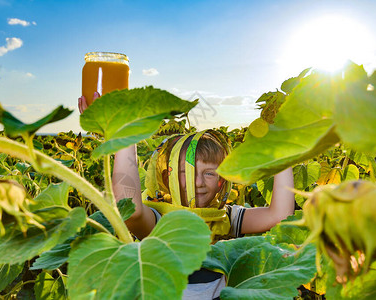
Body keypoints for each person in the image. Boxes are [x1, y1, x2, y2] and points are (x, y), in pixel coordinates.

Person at [78, 95, 295, 300]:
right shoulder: (162, 221)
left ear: (223, 180)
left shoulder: (223, 217)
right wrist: (123, 134)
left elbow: (279, 216)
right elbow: (131, 211)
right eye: (185, 173)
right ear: (166, 176)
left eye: (209, 173)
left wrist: (279, 150)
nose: (197, 182)